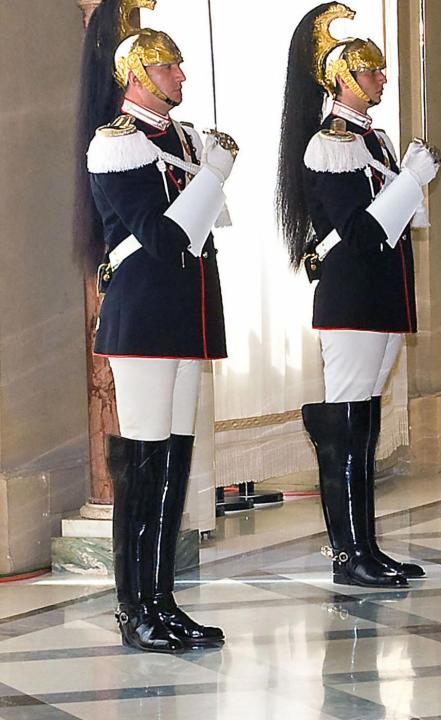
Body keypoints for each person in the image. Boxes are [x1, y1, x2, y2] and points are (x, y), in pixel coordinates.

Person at [77, 0, 237, 653]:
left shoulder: (182, 139)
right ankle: (134, 607)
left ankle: (163, 600)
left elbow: (209, 231)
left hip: (182, 310)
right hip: (143, 313)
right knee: (142, 463)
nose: (181, 77)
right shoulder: (116, 142)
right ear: (138, 73)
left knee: (172, 457)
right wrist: (217, 172)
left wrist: (207, 165)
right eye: (170, 67)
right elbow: (164, 235)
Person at [276, 3, 441, 589]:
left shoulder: (373, 139)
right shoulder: (332, 143)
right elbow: (362, 229)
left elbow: (399, 226)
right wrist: (412, 179)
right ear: (344, 78)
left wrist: (407, 181)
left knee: (365, 422)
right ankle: (348, 552)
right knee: (348, 423)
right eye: (371, 72)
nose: (381, 80)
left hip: (381, 294)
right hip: (351, 297)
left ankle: (366, 544)